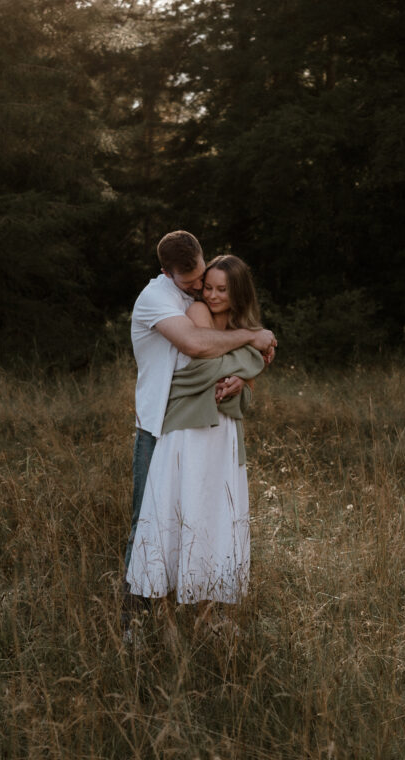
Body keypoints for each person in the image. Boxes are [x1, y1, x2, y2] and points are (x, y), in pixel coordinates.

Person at [124, 234, 276, 633]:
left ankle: (208, 613)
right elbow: (198, 351)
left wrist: (242, 374)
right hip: (160, 424)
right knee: (150, 524)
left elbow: (226, 361)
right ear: (166, 273)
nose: (202, 288)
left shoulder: (201, 298)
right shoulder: (161, 299)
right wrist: (251, 352)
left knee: (208, 515)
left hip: (210, 429)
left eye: (207, 281)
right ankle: (136, 622)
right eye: (196, 282)